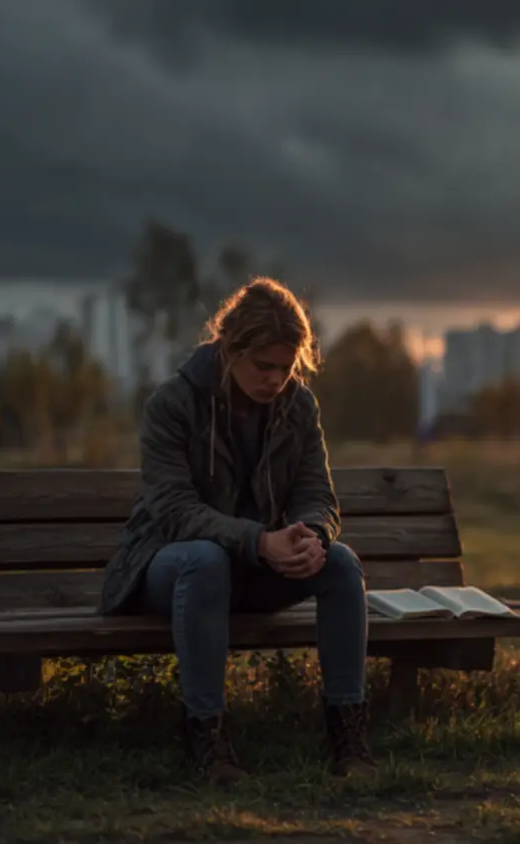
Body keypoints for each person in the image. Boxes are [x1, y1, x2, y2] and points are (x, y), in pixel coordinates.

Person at [97, 277, 374, 783]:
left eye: (286, 367)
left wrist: (312, 536)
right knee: (205, 559)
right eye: (263, 366)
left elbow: (317, 493)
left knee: (340, 563)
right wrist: (258, 541)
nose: (275, 379)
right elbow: (174, 511)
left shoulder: (298, 407)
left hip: (254, 566)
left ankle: (349, 738)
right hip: (169, 567)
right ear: (229, 348)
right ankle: (206, 739)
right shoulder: (173, 404)